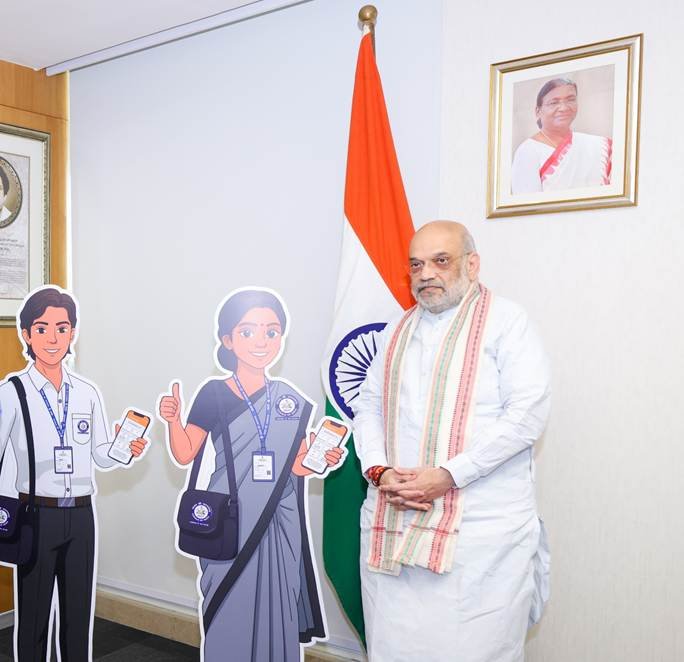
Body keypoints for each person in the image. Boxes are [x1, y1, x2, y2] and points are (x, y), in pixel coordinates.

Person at [353, 221, 551, 662]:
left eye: (441, 261)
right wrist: (379, 471)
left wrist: (448, 474)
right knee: (395, 647)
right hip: (396, 521)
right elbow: (369, 406)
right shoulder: (395, 330)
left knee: (477, 648)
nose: (426, 274)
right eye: (416, 264)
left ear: (472, 265)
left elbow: (527, 415)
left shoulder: (507, 323)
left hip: (479, 536)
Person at [159, 288, 344, 662]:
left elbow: (297, 465)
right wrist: (173, 420)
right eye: (248, 331)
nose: (261, 341)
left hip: (279, 522)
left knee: (278, 607)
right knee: (228, 607)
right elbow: (185, 452)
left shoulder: (288, 398)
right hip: (229, 520)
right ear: (228, 339)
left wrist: (321, 458)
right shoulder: (213, 393)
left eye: (271, 332)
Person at [0, 286, 148, 662]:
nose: (53, 338)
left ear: (73, 333)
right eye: (42, 328)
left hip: (82, 515)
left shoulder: (86, 393)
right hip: (35, 515)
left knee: (77, 617)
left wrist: (123, 450)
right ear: (27, 334)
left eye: (62, 328)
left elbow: (99, 454)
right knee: (33, 619)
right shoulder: (12, 393)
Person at [511, 77, 612, 194]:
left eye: (570, 100)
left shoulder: (598, 146)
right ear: (538, 111)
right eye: (553, 103)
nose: (564, 108)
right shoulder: (528, 151)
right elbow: (527, 202)